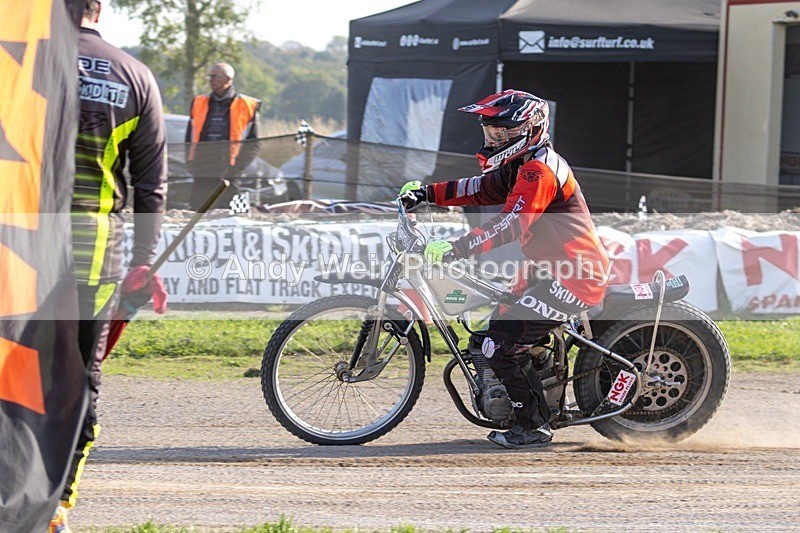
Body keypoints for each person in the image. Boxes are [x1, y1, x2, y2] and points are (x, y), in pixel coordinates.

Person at [399, 89, 609, 449]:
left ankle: (532, 426)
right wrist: (429, 194)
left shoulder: (538, 170)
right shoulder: (520, 163)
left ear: (530, 129)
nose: (493, 139)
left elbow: (512, 224)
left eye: (502, 133)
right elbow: (481, 189)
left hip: (573, 275)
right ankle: (532, 391)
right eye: (490, 132)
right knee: (487, 333)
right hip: (544, 269)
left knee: (499, 344)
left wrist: (458, 247)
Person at [50, 1, 168, 531]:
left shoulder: (18, 64)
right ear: (99, 8)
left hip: (17, 254)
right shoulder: (135, 76)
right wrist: (144, 263)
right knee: (79, 382)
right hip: (94, 256)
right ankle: (56, 505)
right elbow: (151, 187)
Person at [185, 62, 261, 210]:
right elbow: (189, 136)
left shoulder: (248, 105)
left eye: (214, 76)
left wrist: (237, 168)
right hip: (202, 166)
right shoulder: (199, 102)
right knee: (197, 209)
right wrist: (190, 161)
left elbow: (254, 144)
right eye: (210, 76)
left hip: (228, 169)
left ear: (227, 79)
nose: (210, 80)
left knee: (228, 212)